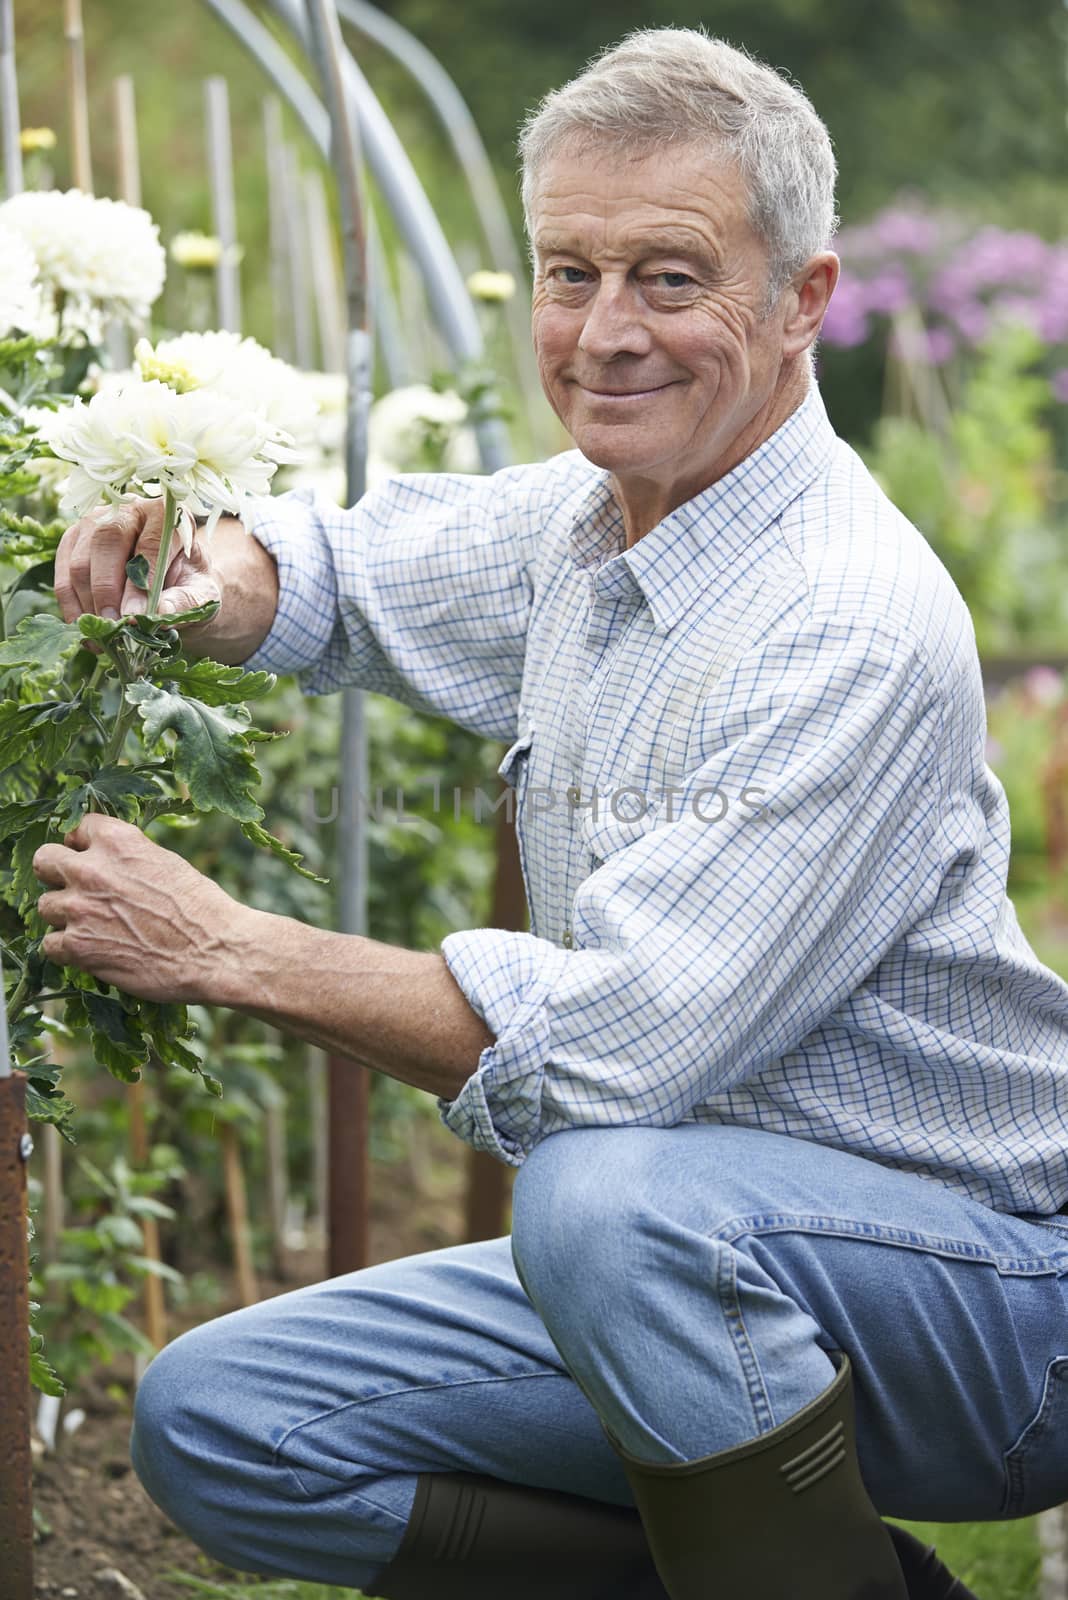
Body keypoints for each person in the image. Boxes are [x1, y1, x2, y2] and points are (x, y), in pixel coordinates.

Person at [35, 26, 1068, 1600]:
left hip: (987, 1293)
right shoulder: (595, 522)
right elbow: (349, 573)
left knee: (597, 1187)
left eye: (669, 277)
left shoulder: (840, 618)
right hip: (692, 1265)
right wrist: (202, 577)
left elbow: (615, 1054)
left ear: (804, 299)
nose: (602, 333)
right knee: (225, 1422)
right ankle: (846, 1584)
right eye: (569, 273)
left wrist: (228, 947)